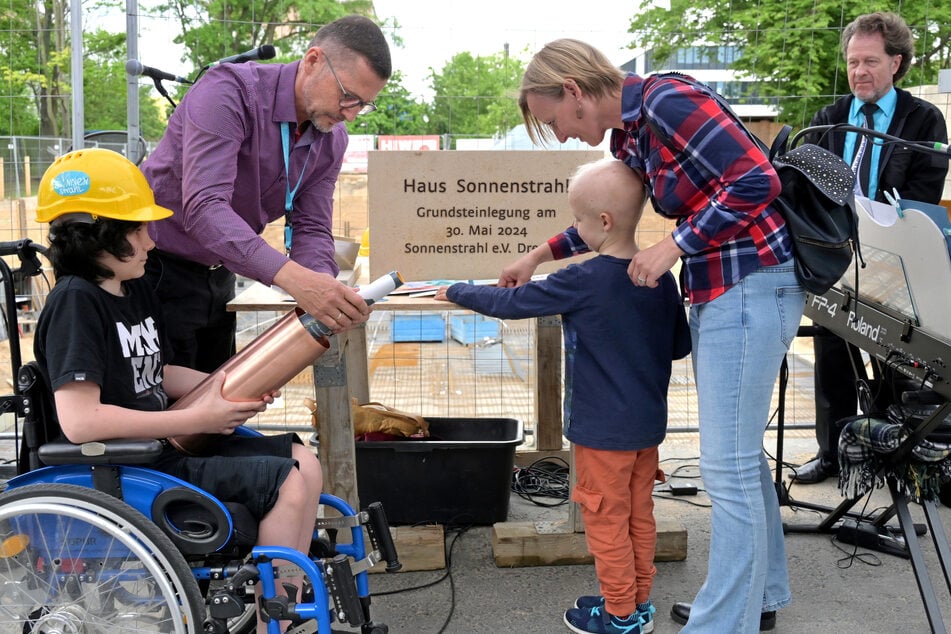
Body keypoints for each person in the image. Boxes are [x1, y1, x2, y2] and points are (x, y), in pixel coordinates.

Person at [507, 39, 806, 633]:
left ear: (573, 91)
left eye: (555, 121)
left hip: (750, 281)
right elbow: (605, 218)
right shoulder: (629, 135)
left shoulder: (668, 102)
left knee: (727, 469)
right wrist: (540, 254)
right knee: (741, 463)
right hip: (723, 287)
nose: (562, 135)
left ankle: (724, 622)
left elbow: (756, 179)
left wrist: (675, 244)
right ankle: (760, 594)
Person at [33, 148, 323, 634]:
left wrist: (230, 390)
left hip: (160, 445)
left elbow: (156, 370)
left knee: (304, 459)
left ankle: (284, 601)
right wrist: (195, 420)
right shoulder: (76, 306)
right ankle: (273, 615)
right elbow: (80, 421)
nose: (152, 240)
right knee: (287, 482)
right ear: (98, 235)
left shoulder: (134, 286)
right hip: (126, 460)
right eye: (139, 229)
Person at [436, 158, 690, 634]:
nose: (574, 229)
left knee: (605, 521)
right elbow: (680, 346)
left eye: (577, 220)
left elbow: (511, 303)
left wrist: (456, 290)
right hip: (647, 427)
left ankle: (618, 616)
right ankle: (637, 602)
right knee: (639, 515)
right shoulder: (661, 277)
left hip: (600, 432)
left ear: (604, 222)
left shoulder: (584, 279)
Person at [141, 14, 392, 373]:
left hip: (221, 272)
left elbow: (312, 227)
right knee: (157, 408)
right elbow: (205, 208)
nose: (351, 115)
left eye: (363, 104)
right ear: (312, 60)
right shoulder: (227, 93)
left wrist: (323, 288)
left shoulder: (332, 138)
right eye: (348, 96)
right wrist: (296, 280)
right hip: (155, 270)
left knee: (216, 402)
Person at [792, 11, 949, 485]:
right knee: (831, 353)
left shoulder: (923, 120)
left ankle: (894, 454)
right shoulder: (830, 119)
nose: (859, 72)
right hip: (837, 256)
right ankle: (833, 453)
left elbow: (922, 195)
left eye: (870, 62)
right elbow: (809, 187)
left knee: (895, 362)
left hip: (894, 263)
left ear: (896, 63)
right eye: (852, 61)